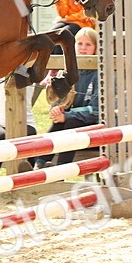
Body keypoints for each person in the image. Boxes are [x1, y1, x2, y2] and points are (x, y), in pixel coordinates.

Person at [32, 28, 100, 169]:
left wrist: (68, 115)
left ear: (96, 48)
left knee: (70, 122)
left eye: (88, 45)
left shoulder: (100, 74)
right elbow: (59, 101)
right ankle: (41, 163)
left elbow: (96, 111)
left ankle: (60, 168)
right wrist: (57, 110)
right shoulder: (67, 72)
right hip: (71, 126)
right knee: (61, 122)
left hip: (95, 127)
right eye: (79, 44)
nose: (83, 48)